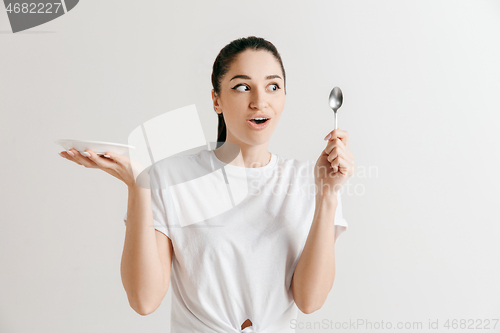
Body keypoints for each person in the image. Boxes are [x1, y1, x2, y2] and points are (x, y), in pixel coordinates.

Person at [58, 36, 355, 333]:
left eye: (273, 86)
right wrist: (139, 187)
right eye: (242, 86)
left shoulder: (311, 180)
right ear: (216, 99)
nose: (260, 101)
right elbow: (143, 300)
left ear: (284, 98)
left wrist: (328, 193)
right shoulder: (170, 178)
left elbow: (310, 300)